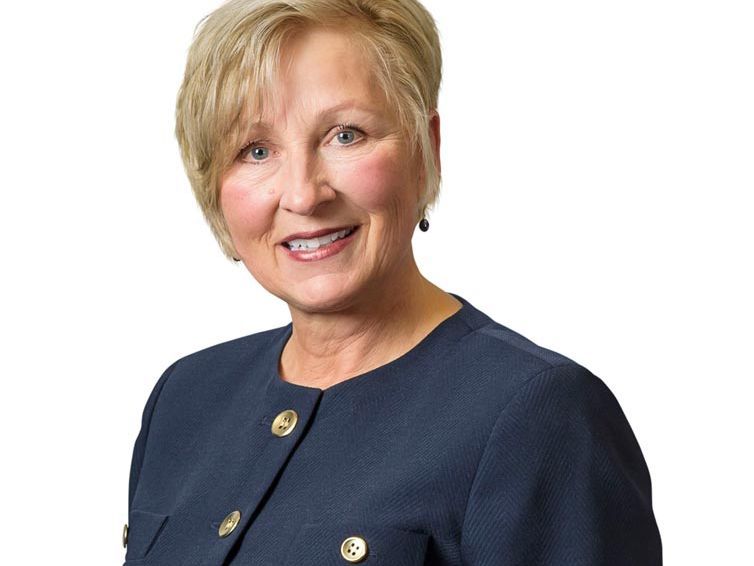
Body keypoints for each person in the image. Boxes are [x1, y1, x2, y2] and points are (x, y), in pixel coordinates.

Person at [123, 0, 663, 564]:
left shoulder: (540, 414)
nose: (304, 195)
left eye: (345, 135)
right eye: (256, 151)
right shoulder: (185, 397)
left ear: (427, 148)